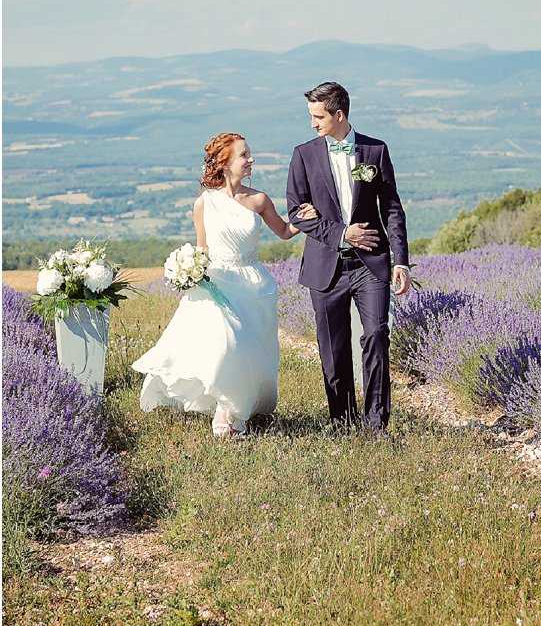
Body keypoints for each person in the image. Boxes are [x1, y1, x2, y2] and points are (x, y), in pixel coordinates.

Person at [131, 132, 316, 439]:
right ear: (224, 162)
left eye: (249, 154)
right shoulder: (204, 203)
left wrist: (306, 219)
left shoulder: (259, 200)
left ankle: (234, 412)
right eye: (244, 155)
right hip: (216, 285)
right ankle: (224, 413)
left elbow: (284, 231)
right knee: (227, 344)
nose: (251, 159)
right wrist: (189, 270)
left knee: (248, 351)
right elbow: (202, 247)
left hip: (253, 285)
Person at [286, 81, 411, 434]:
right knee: (333, 347)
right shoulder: (304, 154)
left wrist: (400, 260)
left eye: (318, 116)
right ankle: (342, 423)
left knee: (376, 336)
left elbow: (392, 208)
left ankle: (376, 425)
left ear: (339, 115)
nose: (313, 123)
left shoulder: (375, 151)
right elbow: (296, 212)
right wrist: (342, 232)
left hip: (370, 264)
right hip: (326, 266)